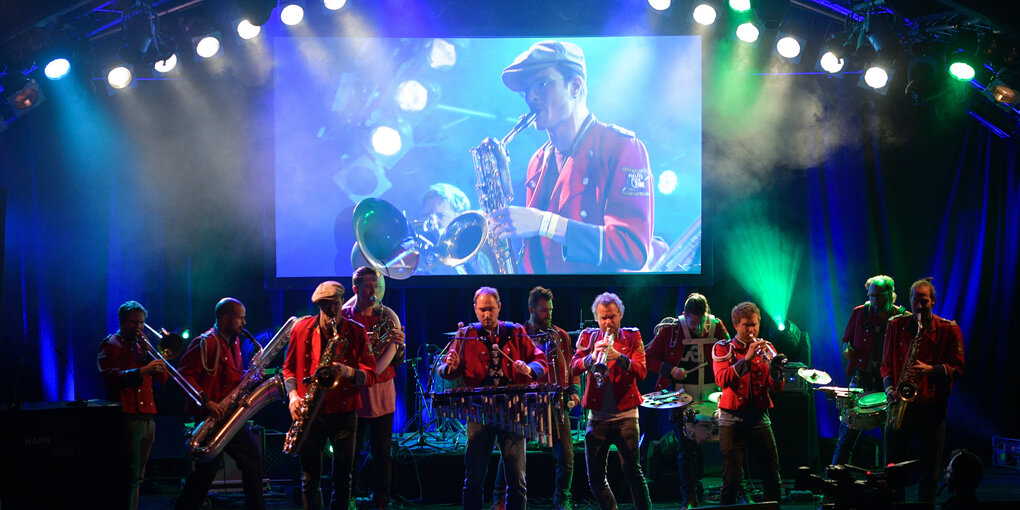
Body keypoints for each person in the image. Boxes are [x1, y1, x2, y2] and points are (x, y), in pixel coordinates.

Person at [490, 40, 654, 274]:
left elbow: (633, 250)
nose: (531, 97)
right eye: (527, 90)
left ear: (575, 87)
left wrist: (544, 223)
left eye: (542, 84)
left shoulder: (622, 147)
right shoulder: (537, 161)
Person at [439, 286, 548, 510]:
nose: (486, 315)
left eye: (490, 309)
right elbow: (445, 370)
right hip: (479, 412)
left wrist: (528, 369)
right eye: (482, 310)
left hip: (513, 411)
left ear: (499, 307)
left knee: (517, 481)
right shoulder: (466, 334)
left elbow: (541, 361)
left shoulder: (515, 331)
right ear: (474, 310)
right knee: (474, 479)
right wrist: (451, 366)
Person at [282, 281, 377, 510]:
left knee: (343, 478)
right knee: (309, 479)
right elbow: (287, 369)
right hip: (311, 411)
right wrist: (293, 396)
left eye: (335, 305)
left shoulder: (356, 331)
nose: (332, 312)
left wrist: (348, 372)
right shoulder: (300, 328)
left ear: (342, 302)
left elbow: (371, 376)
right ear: (318, 306)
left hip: (344, 411)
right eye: (326, 307)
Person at [492, 286, 581, 510]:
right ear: (531, 309)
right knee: (511, 457)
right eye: (544, 311)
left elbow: (570, 368)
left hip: (555, 402)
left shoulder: (560, 335)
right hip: (526, 404)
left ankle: (562, 500)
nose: (549, 314)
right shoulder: (518, 335)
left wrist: (574, 391)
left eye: (550, 310)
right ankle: (499, 500)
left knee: (566, 457)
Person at [175, 298, 265, 510]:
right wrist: (207, 402)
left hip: (230, 416)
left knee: (251, 462)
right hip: (211, 417)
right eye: (240, 318)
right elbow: (183, 376)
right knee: (205, 473)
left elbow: (230, 378)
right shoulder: (205, 342)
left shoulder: (234, 342)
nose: (244, 322)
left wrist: (249, 377)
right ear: (225, 319)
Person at [882, 278, 965, 505]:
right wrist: (889, 388)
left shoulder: (949, 329)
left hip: (932, 408)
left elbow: (958, 368)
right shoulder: (895, 325)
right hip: (901, 404)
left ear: (934, 302)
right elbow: (886, 364)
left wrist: (932, 370)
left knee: (930, 469)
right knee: (893, 467)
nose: (919, 307)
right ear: (910, 300)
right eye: (916, 301)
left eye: (924, 302)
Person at [645, 292, 730, 508]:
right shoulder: (672, 330)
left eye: (701, 321)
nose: (698, 327)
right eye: (693, 322)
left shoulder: (717, 326)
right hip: (685, 400)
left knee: (730, 445)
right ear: (685, 315)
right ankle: (689, 497)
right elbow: (648, 357)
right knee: (687, 449)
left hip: (714, 397)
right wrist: (671, 370)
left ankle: (732, 493)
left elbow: (731, 354)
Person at [570, 292, 651, 510]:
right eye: (604, 317)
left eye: (612, 317)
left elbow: (642, 371)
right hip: (597, 417)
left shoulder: (633, 336)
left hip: (626, 415)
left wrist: (619, 357)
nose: (608, 323)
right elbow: (573, 366)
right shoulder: (588, 337)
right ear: (597, 318)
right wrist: (590, 358)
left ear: (621, 315)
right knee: (595, 478)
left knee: (633, 472)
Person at [342, 267, 406, 510]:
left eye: (376, 286)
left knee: (382, 451)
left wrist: (398, 347)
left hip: (381, 389)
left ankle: (382, 499)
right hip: (354, 389)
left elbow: (396, 360)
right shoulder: (345, 316)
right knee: (350, 451)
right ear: (356, 289)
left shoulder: (387, 317)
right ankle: (347, 496)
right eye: (368, 286)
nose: (374, 291)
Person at [96, 300, 168, 510]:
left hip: (147, 416)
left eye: (142, 323)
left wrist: (161, 358)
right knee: (128, 476)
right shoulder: (110, 344)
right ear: (122, 322)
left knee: (138, 477)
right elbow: (110, 376)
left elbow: (162, 379)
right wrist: (144, 370)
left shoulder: (143, 345)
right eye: (134, 323)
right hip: (126, 416)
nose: (139, 328)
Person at [712, 302, 785, 505]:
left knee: (772, 477)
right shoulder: (723, 348)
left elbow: (776, 388)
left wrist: (776, 371)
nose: (751, 330)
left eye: (754, 324)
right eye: (746, 325)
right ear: (735, 325)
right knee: (731, 481)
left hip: (759, 418)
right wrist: (747, 359)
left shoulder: (767, 348)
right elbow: (722, 380)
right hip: (732, 421)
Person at [832, 275, 906, 466]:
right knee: (847, 434)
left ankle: (890, 483)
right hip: (861, 379)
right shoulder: (859, 313)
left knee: (891, 439)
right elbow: (845, 340)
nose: (874, 300)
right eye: (871, 295)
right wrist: (847, 349)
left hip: (888, 383)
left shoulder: (901, 318)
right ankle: (835, 480)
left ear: (890, 295)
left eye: (878, 296)